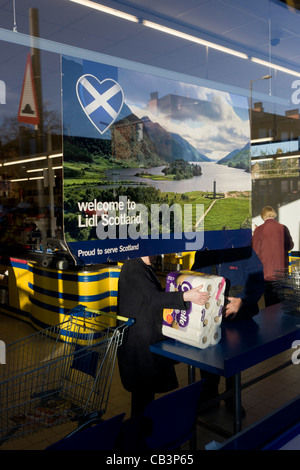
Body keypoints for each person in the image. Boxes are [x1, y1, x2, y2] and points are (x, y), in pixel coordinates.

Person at [117, 255, 210, 417]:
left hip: (144, 337)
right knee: (142, 394)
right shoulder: (133, 268)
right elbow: (153, 298)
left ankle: (142, 432)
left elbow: (151, 296)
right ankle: (140, 434)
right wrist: (185, 296)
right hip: (139, 343)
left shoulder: (141, 266)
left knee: (144, 393)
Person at [191, 246, 264, 413]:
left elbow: (257, 282)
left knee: (233, 362)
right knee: (208, 359)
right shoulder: (203, 251)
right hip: (210, 317)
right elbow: (195, 276)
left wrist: (242, 301)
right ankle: (210, 397)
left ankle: (232, 398)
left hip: (237, 320)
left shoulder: (245, 251)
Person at [252, 206, 294, 306]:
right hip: (281, 271)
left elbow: (255, 251)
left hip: (267, 272)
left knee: (270, 303)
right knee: (281, 301)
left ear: (263, 216)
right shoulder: (283, 228)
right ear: (273, 214)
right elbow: (290, 246)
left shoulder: (259, 230)